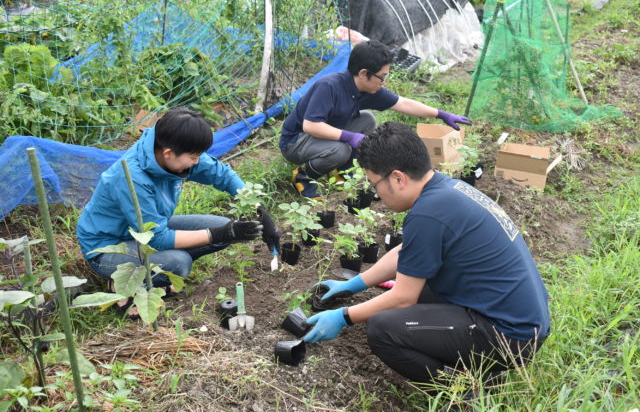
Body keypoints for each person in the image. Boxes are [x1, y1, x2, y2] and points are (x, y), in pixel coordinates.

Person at [303, 122, 550, 384]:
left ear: (398, 178)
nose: (376, 194)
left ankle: (460, 392)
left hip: (510, 336)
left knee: (383, 329)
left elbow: (403, 298)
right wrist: (352, 285)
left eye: (375, 184)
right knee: (420, 287)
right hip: (521, 319)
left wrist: (343, 317)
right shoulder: (445, 190)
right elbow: (406, 254)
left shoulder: (429, 213)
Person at [76, 107, 280, 315]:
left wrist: (258, 209)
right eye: (193, 156)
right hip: (109, 247)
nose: (197, 161)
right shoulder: (132, 177)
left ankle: (154, 273)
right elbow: (157, 239)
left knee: (221, 226)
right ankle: (121, 285)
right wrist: (221, 233)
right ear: (168, 154)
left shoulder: (174, 150)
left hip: (146, 232)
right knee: (179, 263)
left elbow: (222, 175)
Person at [278, 39, 471, 199]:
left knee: (367, 120)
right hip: (297, 141)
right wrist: (350, 137)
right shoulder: (329, 87)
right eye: (382, 76)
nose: (384, 82)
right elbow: (311, 125)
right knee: (341, 149)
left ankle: (342, 173)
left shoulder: (368, 88)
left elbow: (403, 103)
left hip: (321, 136)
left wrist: (441, 114)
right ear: (363, 73)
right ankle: (303, 176)